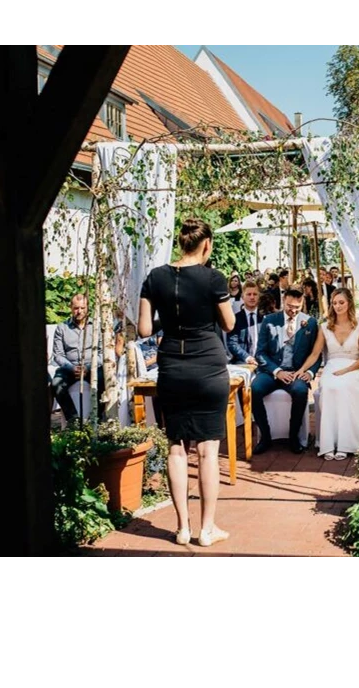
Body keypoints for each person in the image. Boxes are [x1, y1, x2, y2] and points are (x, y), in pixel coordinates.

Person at [138, 217, 235, 548]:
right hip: (208, 366)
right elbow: (229, 324)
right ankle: (207, 530)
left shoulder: (155, 277)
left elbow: (144, 330)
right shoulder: (213, 278)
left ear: (182, 242)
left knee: (176, 448)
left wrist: (169, 319)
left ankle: (182, 528)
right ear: (206, 244)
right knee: (208, 451)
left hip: (172, 368)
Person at [298, 288, 359, 460]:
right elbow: (315, 354)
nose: (338, 306)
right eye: (334, 303)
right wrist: (302, 369)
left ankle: (345, 444)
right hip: (332, 368)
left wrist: (347, 370)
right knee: (329, 387)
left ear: (349, 303)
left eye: (341, 302)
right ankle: (328, 443)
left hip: (352, 368)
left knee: (346, 387)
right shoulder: (325, 327)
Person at [251, 286, 320, 455]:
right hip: (271, 372)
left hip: (296, 373)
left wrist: (309, 372)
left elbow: (316, 354)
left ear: (302, 303)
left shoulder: (310, 322)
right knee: (254, 389)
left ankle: (293, 436)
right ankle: (265, 436)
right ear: (283, 301)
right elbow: (260, 353)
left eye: (297, 307)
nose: (293, 311)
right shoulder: (269, 320)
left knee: (300, 391)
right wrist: (277, 371)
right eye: (289, 306)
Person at [51, 293, 106, 423]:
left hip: (92, 367)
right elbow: (58, 355)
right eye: (76, 308)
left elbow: (103, 353)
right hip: (69, 367)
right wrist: (72, 368)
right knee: (56, 384)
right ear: (71, 308)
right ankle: (73, 421)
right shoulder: (62, 328)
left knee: (103, 381)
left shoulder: (97, 326)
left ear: (87, 308)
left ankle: (97, 419)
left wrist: (88, 367)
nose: (79, 311)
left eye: (82, 308)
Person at [227, 280, 264, 365]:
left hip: (262, 362)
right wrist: (247, 357)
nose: (252, 297)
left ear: (259, 297)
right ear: (242, 297)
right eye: (248, 294)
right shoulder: (235, 319)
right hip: (242, 362)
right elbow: (232, 343)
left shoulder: (265, 319)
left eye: (255, 294)